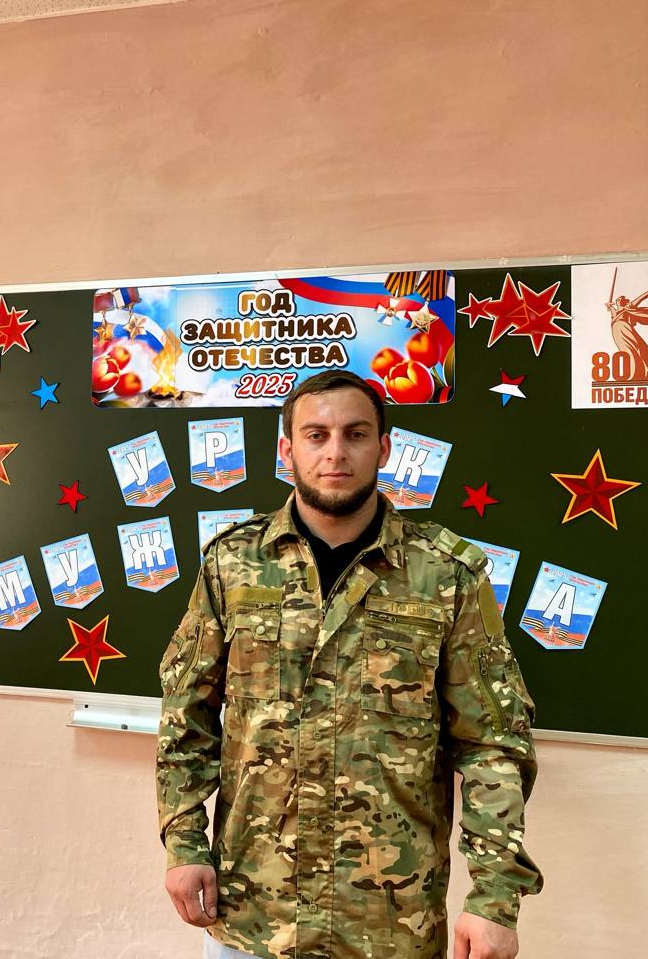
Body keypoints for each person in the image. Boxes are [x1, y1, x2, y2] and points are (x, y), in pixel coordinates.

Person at [156, 370, 541, 959]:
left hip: (391, 922)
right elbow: (187, 713)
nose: (335, 452)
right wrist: (184, 845)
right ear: (287, 450)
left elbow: (493, 743)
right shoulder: (231, 564)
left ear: (383, 448)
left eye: (355, 434)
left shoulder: (446, 573)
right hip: (253, 913)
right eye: (316, 435)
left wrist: (494, 899)